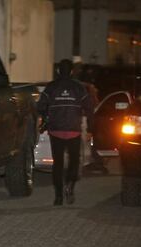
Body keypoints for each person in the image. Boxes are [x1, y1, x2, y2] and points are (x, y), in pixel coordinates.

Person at [37, 59, 94, 206]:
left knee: (58, 164)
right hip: (73, 131)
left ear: (57, 71)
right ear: (71, 71)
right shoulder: (79, 88)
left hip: (55, 130)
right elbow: (89, 107)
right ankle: (70, 185)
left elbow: (40, 106)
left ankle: (58, 197)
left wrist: (45, 118)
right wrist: (91, 128)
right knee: (74, 162)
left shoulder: (51, 87)